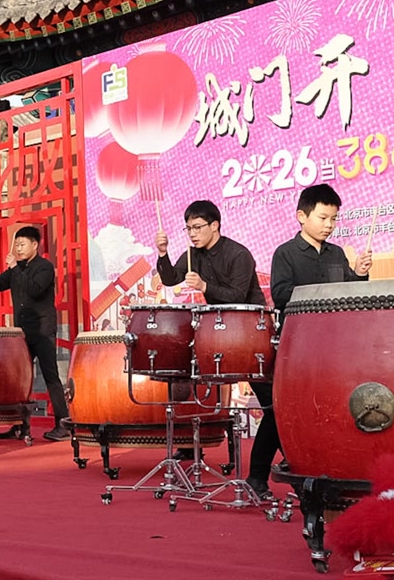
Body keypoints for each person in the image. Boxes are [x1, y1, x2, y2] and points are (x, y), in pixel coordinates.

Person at [157, 199, 276, 490]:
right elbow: (171, 279)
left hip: (250, 332)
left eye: (197, 227)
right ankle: (190, 444)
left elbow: (237, 295)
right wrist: (162, 253)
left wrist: (204, 287)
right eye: (188, 229)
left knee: (271, 404)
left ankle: (283, 463)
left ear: (215, 226)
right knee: (185, 380)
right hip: (219, 334)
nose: (192, 234)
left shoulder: (238, 254)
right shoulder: (192, 254)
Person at [263, 184, 373, 496]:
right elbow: (281, 295)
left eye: (334, 219)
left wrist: (359, 274)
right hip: (299, 346)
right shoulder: (286, 253)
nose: (329, 225)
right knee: (286, 412)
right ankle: (258, 476)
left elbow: (350, 295)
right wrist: (320, 294)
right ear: (302, 216)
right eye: (323, 218)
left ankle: (329, 468)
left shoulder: (337, 253)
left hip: (336, 348)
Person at [0, 225, 68, 442]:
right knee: (19, 379)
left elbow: (34, 290)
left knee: (50, 376)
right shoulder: (17, 268)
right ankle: (20, 425)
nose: (18, 248)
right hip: (22, 332)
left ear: (35, 245)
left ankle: (63, 424)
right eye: (16, 244)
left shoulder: (45, 267)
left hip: (43, 331)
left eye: (22, 244)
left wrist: (15, 269)